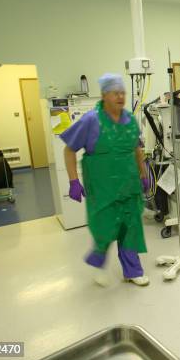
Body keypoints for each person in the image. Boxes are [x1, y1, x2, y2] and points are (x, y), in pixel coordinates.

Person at [61, 73, 151, 287]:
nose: (120, 97)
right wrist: (74, 181)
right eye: (115, 93)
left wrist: (143, 173)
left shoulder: (129, 120)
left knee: (130, 228)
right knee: (105, 228)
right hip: (103, 188)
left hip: (128, 186)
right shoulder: (91, 120)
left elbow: (136, 149)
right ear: (104, 96)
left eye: (122, 93)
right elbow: (69, 150)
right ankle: (98, 264)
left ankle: (132, 271)